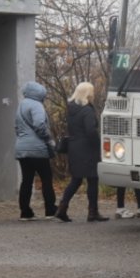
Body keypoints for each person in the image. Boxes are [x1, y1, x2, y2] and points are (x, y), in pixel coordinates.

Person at [54, 82, 109, 222]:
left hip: (74, 148)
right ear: (88, 94)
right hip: (87, 149)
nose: (94, 94)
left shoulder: (71, 109)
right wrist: (98, 144)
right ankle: (92, 212)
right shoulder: (87, 110)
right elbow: (90, 131)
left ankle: (62, 208)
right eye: (92, 92)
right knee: (92, 179)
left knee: (76, 179)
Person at [14, 81, 58, 221]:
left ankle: (25, 212)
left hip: (22, 148)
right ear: (40, 94)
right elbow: (39, 124)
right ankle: (50, 210)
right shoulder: (37, 105)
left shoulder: (21, 105)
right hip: (37, 149)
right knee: (46, 179)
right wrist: (48, 138)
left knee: (26, 180)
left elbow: (16, 127)